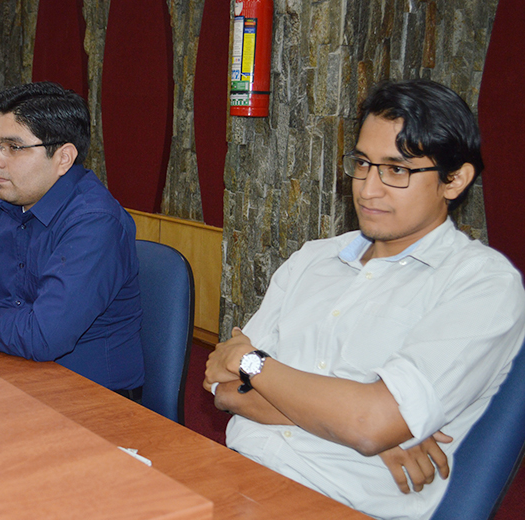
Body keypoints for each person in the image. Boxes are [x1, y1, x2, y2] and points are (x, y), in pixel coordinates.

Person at [202, 79, 525, 520]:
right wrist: (355, 425)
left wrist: (252, 363)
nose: (368, 189)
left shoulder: (482, 284)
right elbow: (225, 389)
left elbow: (368, 423)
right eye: (362, 163)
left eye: (397, 170)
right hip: (233, 477)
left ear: (454, 180)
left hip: (338, 504)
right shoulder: (313, 259)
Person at [0, 82, 144, 394]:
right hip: (13, 368)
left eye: (14, 147)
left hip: (90, 396)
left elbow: (43, 335)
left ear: (63, 157)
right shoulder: (1, 205)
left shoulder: (95, 223)